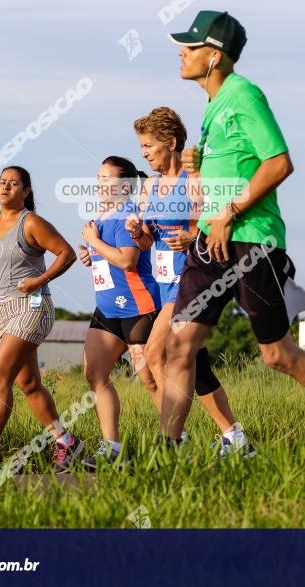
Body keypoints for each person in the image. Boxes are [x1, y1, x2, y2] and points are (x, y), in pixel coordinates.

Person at [162, 11, 305, 445]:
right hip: (210, 240)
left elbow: (279, 162)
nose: (182, 52)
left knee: (276, 355)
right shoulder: (211, 104)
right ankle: (164, 454)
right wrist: (200, 168)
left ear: (215, 56)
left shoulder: (244, 94)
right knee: (179, 346)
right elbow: (218, 184)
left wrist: (230, 213)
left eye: (191, 46)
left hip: (250, 240)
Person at [126, 106, 254, 457]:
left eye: (149, 145)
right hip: (166, 282)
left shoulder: (193, 179)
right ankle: (234, 437)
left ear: (170, 142)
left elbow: (213, 225)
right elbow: (147, 242)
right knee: (195, 366)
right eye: (141, 147)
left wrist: (190, 235)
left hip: (193, 277)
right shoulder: (149, 186)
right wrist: (138, 233)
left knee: (153, 353)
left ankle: (173, 440)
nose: (144, 153)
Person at [0, 165, 80, 473]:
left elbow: (67, 253)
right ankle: (67, 442)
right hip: (2, 309)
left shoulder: (32, 223)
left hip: (33, 306)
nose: (5, 188)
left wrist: (38, 280)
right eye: (2, 183)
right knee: (28, 383)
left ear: (25, 191)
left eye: (13, 184)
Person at [79, 156, 161, 469]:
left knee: (150, 380)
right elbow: (107, 259)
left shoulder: (128, 215)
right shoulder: (100, 216)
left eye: (106, 179)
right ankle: (111, 448)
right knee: (95, 374)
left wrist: (95, 242)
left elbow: (127, 260)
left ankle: (175, 440)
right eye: (98, 177)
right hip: (107, 308)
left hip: (138, 306)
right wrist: (91, 255)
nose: (100, 184)